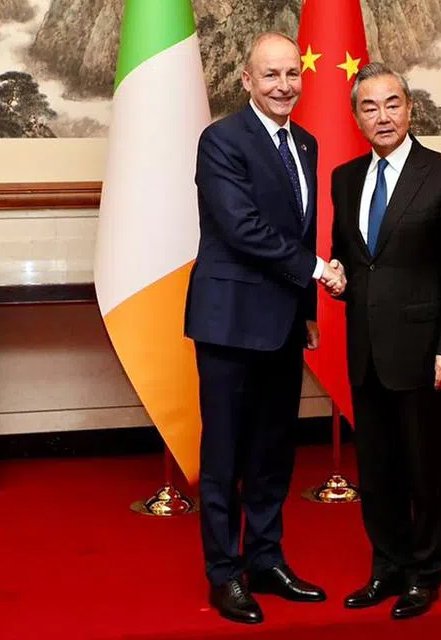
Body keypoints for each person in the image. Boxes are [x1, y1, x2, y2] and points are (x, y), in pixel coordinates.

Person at [184, 31, 346, 625]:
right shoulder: (221, 140)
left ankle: (266, 559)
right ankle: (225, 574)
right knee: (224, 455)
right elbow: (240, 226)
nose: (283, 86)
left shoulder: (304, 142)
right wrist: (317, 272)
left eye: (291, 75)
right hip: (229, 324)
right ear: (247, 80)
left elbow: (300, 231)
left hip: (281, 324)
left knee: (274, 453)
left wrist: (306, 308)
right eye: (270, 75)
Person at [329, 62, 441, 620]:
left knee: (423, 471)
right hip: (366, 351)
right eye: (369, 107)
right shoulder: (345, 178)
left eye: (392, 104)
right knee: (377, 470)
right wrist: (339, 279)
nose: (382, 116)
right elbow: (350, 256)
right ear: (356, 118)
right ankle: (387, 567)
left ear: (410, 108)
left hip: (423, 354)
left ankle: (425, 573)